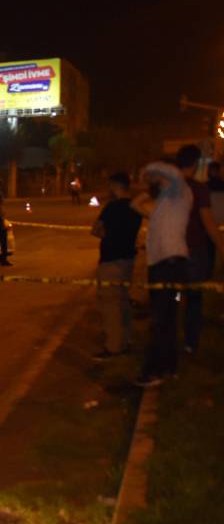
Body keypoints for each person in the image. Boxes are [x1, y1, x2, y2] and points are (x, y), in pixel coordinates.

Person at [133, 159, 193, 387]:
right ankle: (169, 367)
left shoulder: (180, 193)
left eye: (158, 178)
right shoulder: (162, 202)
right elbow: (135, 205)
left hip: (171, 264)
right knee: (165, 319)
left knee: (160, 320)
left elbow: (175, 173)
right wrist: (148, 186)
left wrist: (148, 169)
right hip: (159, 265)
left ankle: (154, 370)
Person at [174, 145, 221, 355]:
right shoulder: (198, 189)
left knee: (173, 295)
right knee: (193, 298)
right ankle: (190, 342)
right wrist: (222, 246)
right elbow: (208, 223)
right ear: (195, 164)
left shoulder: (169, 187)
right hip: (194, 253)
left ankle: (171, 337)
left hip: (172, 253)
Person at [90, 172, 142, 360]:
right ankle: (126, 341)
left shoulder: (112, 208)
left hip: (110, 260)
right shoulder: (136, 208)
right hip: (128, 258)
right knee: (123, 301)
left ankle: (113, 347)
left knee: (110, 304)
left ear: (114, 185)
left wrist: (106, 234)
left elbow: (95, 230)